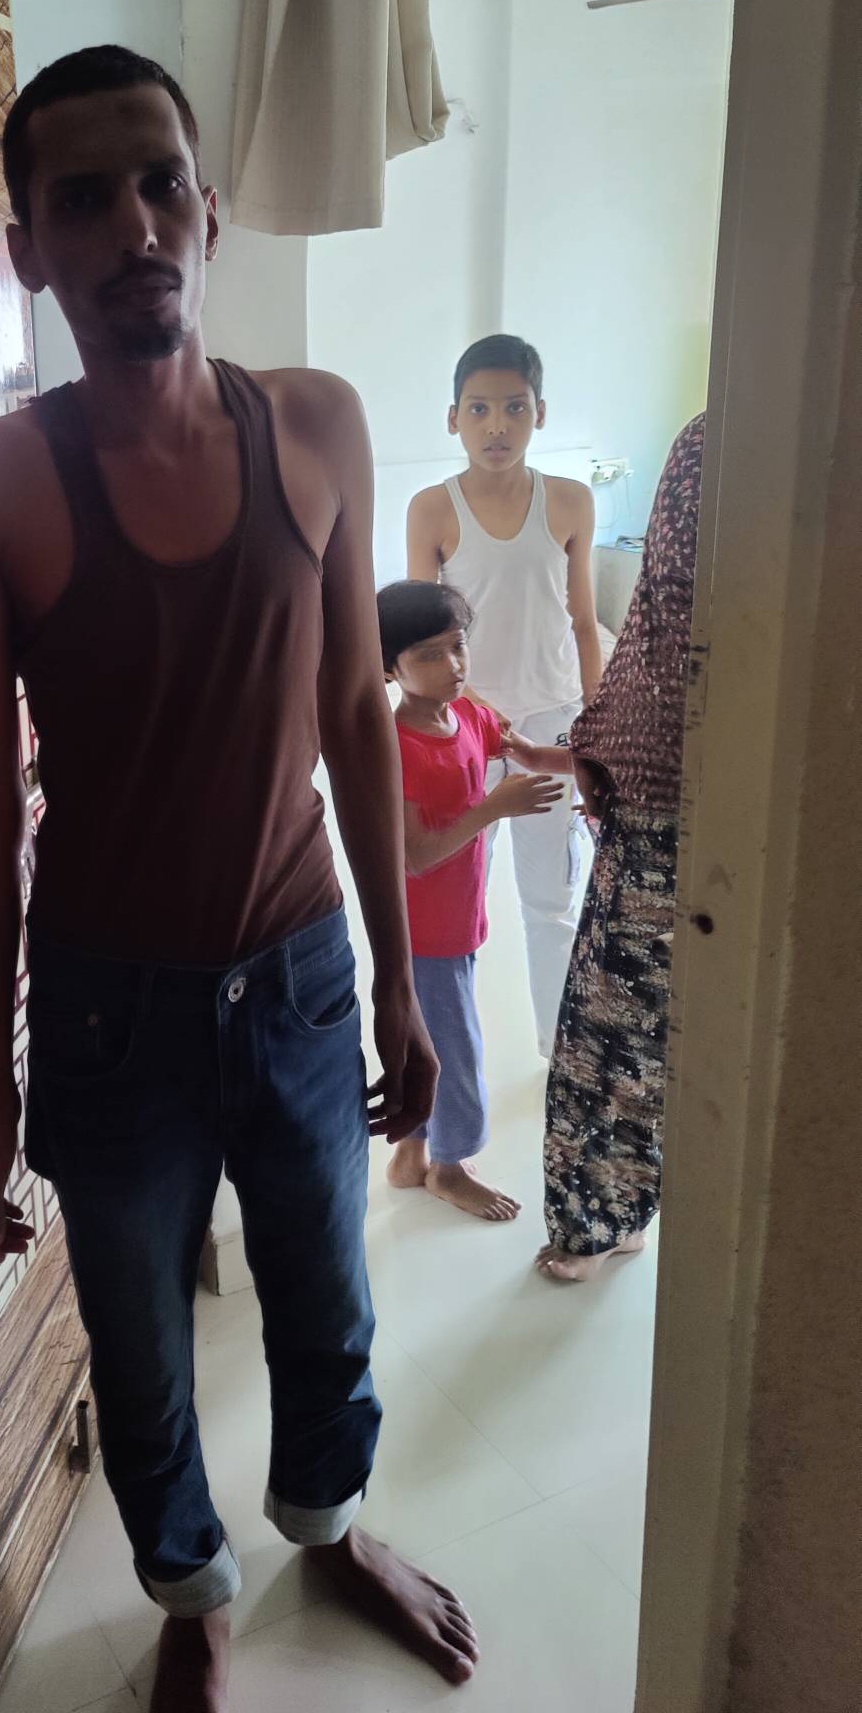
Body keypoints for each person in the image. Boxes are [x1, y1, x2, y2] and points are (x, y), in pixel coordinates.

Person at [0, 45, 478, 1710]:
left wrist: (396, 986)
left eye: (161, 183)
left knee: (326, 1296)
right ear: (29, 249)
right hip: (108, 1008)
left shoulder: (316, 423)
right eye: (83, 198)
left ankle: (331, 1529)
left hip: (298, 970)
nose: (134, 225)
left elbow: (353, 715)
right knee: (142, 1348)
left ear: (211, 214)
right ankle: (189, 1593)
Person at [537, 414, 706, 1283]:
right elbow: (660, 614)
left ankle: (607, 1216)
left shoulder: (721, 438)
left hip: (672, 791)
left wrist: (602, 738)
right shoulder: (722, 436)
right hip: (688, 783)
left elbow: (654, 614)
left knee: (623, 1025)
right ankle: (616, 1216)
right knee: (640, 1019)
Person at [407, 335, 603, 1061]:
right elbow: (422, 637)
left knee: (551, 901)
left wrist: (596, 734)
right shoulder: (432, 509)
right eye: (479, 409)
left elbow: (584, 622)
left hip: (553, 722)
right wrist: (447, 724)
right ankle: (446, 1055)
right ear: (453, 417)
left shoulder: (570, 501)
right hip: (465, 730)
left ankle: (559, 1052)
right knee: (456, 900)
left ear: (539, 413)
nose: (497, 425)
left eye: (514, 408)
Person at [378, 581, 570, 1222]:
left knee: (426, 1038)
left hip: (457, 919)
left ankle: (410, 1156)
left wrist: (592, 766)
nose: (453, 664)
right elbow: (416, 855)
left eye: (458, 645)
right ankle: (450, 1167)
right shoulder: (399, 746)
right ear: (390, 668)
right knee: (454, 1048)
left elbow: (529, 753)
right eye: (428, 655)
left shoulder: (467, 715)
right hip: (426, 931)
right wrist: (493, 808)